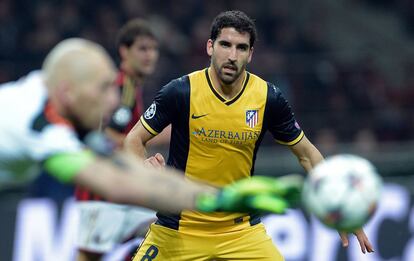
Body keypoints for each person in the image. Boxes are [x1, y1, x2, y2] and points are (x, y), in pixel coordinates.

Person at [125, 10, 374, 260]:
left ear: (251, 53)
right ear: (210, 47)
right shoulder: (180, 92)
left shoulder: (268, 98)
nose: (232, 56)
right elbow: (134, 140)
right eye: (225, 45)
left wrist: (338, 206)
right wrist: (143, 173)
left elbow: (307, 154)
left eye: (241, 48)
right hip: (178, 229)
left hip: (240, 232)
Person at [0, 37, 302, 239]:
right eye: (103, 89)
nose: (111, 102)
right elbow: (118, 183)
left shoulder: (54, 92)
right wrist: (217, 199)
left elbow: (125, 167)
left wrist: (218, 196)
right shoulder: (43, 129)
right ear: (69, 93)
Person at [74, 19, 165, 261]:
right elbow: (109, 135)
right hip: (101, 195)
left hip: (116, 193)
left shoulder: (129, 87)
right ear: (125, 51)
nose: (150, 56)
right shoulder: (121, 87)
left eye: (154, 49)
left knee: (163, 230)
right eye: (143, 49)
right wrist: (157, 137)